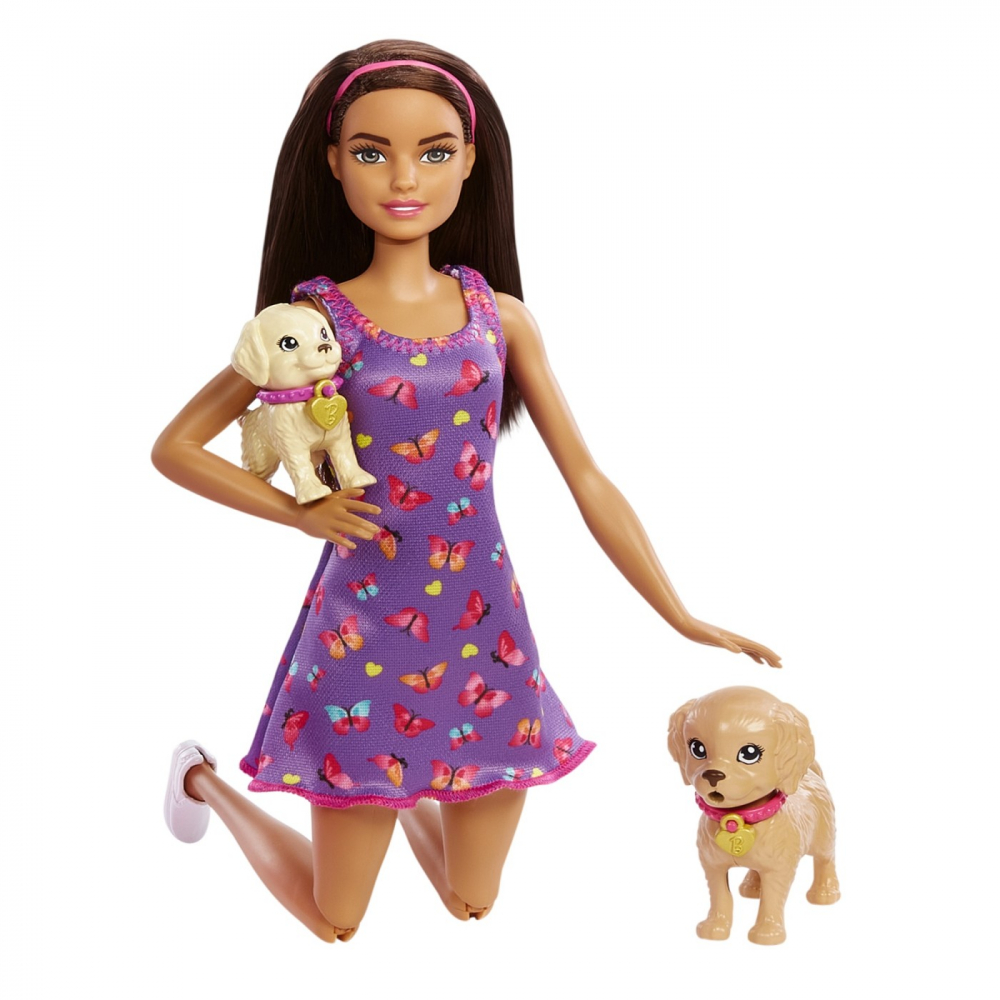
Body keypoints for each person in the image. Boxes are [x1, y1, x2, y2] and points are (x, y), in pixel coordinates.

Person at [153, 39, 780, 943]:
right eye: (372, 152)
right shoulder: (314, 322)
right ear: (333, 163)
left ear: (471, 161)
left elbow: (586, 475)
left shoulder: (501, 316)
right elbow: (176, 447)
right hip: (362, 629)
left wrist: (680, 614)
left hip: (485, 631)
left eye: (434, 151)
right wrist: (299, 512)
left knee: (471, 900)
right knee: (337, 919)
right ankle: (201, 779)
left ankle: (404, 790)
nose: (405, 178)